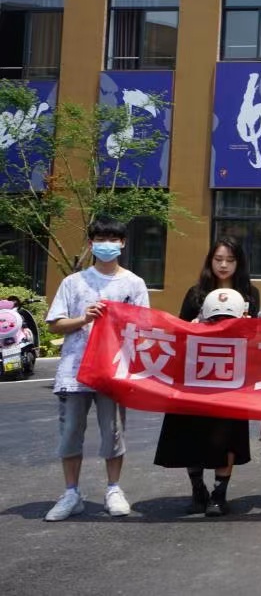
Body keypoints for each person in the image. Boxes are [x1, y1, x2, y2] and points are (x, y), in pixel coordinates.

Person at [43, 216, 150, 522]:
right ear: (91, 244)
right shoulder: (73, 283)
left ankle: (113, 489)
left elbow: (144, 327)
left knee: (113, 433)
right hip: (75, 371)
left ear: (123, 243)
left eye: (113, 239)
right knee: (70, 433)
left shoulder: (134, 284)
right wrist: (84, 319)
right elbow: (55, 324)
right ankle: (71, 493)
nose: (107, 245)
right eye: (100, 239)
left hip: (112, 373)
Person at [155, 238, 260, 517]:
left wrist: (249, 327)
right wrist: (193, 326)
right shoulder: (196, 293)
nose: (223, 265)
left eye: (230, 260)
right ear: (210, 261)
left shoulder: (250, 294)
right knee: (192, 433)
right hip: (196, 376)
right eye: (218, 259)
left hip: (231, 378)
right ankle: (198, 489)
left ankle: (219, 494)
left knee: (227, 436)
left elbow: (258, 337)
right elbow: (178, 331)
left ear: (239, 263)